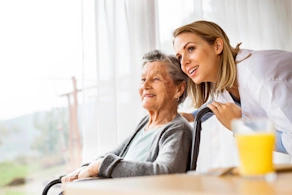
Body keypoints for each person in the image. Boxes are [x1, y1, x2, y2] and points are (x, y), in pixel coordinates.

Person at [61, 50, 192, 186]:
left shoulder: (178, 130)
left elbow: (165, 173)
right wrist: (87, 167)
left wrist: (99, 166)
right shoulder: (145, 124)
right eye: (143, 79)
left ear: (179, 89)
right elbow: (115, 154)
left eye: (156, 79)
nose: (145, 86)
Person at [173, 20, 292, 156]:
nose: (184, 62)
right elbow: (218, 102)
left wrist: (241, 127)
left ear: (217, 46)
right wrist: (192, 116)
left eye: (191, 49)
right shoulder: (224, 81)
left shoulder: (258, 76)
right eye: (179, 57)